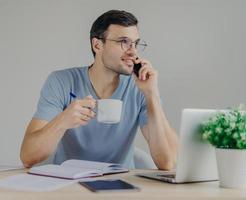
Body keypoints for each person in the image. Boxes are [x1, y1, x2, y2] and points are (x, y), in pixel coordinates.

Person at [20, 10, 179, 170]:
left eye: (135, 43)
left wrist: (152, 94)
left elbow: (168, 162)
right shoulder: (61, 81)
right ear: (97, 45)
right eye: (124, 42)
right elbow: (28, 157)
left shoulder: (139, 88)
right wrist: (62, 121)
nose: (133, 51)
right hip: (68, 185)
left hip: (120, 186)